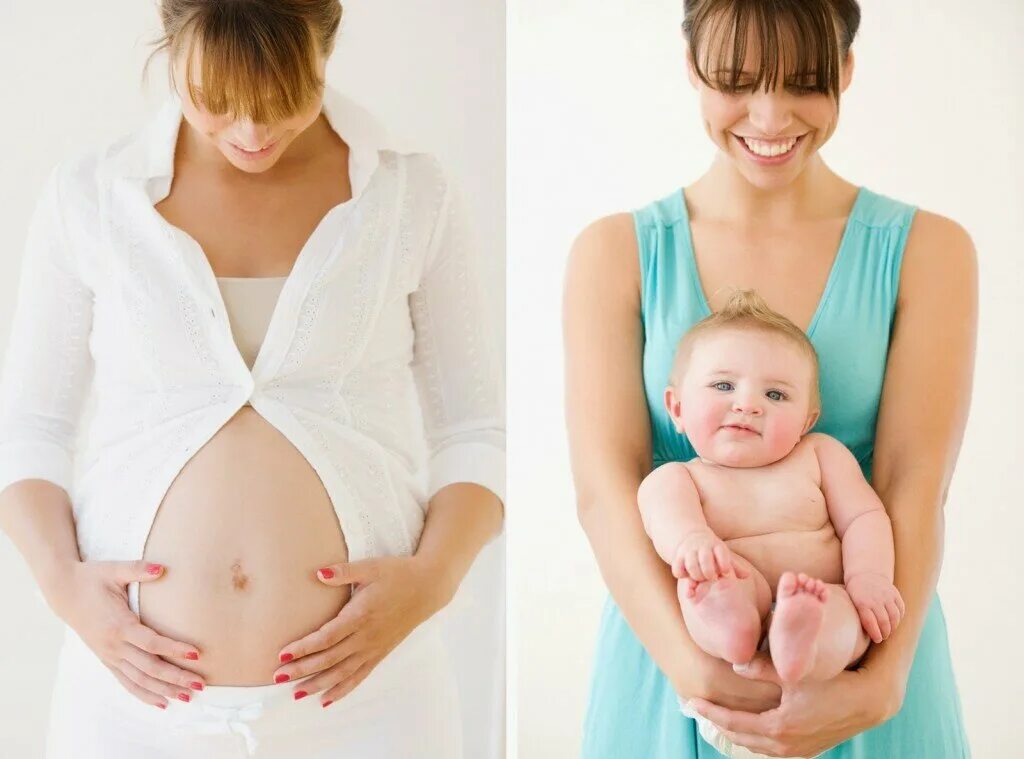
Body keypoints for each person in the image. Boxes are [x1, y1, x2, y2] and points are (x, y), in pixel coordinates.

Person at [0, 2, 504, 757]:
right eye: (216, 103)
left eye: (282, 102)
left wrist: (434, 578)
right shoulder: (91, 198)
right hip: (133, 706)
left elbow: (474, 428)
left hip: (373, 702)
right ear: (172, 49)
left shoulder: (411, 196)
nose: (251, 132)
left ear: (325, 48)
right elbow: (31, 428)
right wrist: (64, 588)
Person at [563, 0, 975, 756]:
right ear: (691, 66)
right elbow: (603, 492)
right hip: (670, 655)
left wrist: (882, 680)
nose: (769, 115)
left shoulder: (930, 249)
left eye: (806, 83)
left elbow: (915, 482)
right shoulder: (614, 251)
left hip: (867, 651)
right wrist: (699, 673)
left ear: (847, 71)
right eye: (737, 80)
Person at [639, 290, 905, 759]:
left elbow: (865, 517)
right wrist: (694, 541)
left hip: (824, 592)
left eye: (775, 394)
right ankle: (734, 623)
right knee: (712, 580)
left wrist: (868, 578)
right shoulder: (677, 478)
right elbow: (666, 522)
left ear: (807, 420)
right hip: (739, 591)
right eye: (723, 386)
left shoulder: (820, 455)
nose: (747, 404)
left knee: (844, 614)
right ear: (676, 408)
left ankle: (802, 637)